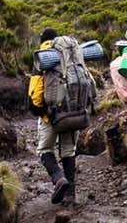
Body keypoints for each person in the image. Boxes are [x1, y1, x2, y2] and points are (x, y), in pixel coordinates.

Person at [29, 28, 78, 206]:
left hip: (52, 114)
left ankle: (58, 179)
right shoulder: (71, 52)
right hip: (74, 111)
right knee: (68, 151)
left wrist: (40, 111)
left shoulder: (43, 56)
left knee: (44, 149)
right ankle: (71, 195)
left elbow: (35, 91)